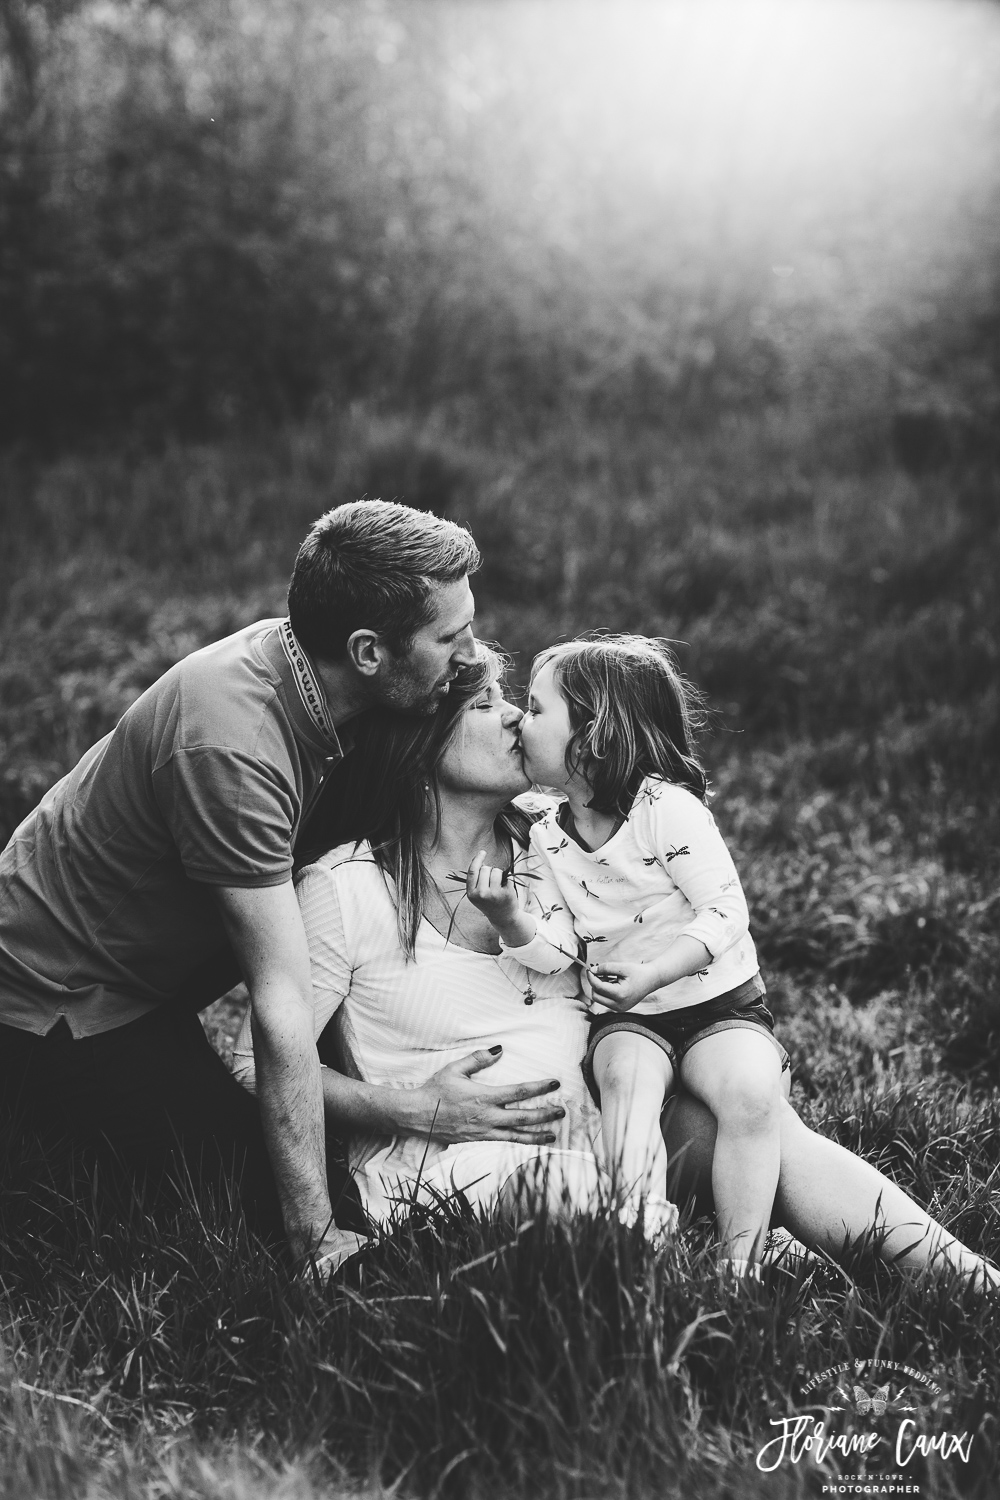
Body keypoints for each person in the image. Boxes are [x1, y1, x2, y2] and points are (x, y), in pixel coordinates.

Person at [233, 644, 999, 1292]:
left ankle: (970, 1284)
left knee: (767, 1127)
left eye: (517, 702)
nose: (510, 717)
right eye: (483, 706)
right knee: (591, 1201)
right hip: (451, 1165)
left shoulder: (562, 847)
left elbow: (687, 909)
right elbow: (254, 1063)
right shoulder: (346, 887)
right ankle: (726, 1268)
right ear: (420, 744)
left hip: (612, 1132)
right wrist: (412, 1108)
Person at [0, 500, 570, 1276]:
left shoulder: (342, 686)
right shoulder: (236, 748)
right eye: (450, 638)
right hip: (64, 995)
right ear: (368, 650)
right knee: (245, 1185)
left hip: (158, 978)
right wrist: (320, 1231)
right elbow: (279, 1002)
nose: (471, 657)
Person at [468, 635, 783, 1276]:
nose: (517, 722)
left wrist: (654, 973)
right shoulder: (546, 836)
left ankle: (741, 1262)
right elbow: (558, 949)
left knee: (751, 1093)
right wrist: (511, 918)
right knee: (626, 1087)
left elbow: (724, 912)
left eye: (534, 709)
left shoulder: (667, 811)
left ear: (594, 735)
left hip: (716, 1001)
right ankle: (641, 1240)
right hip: (627, 1014)